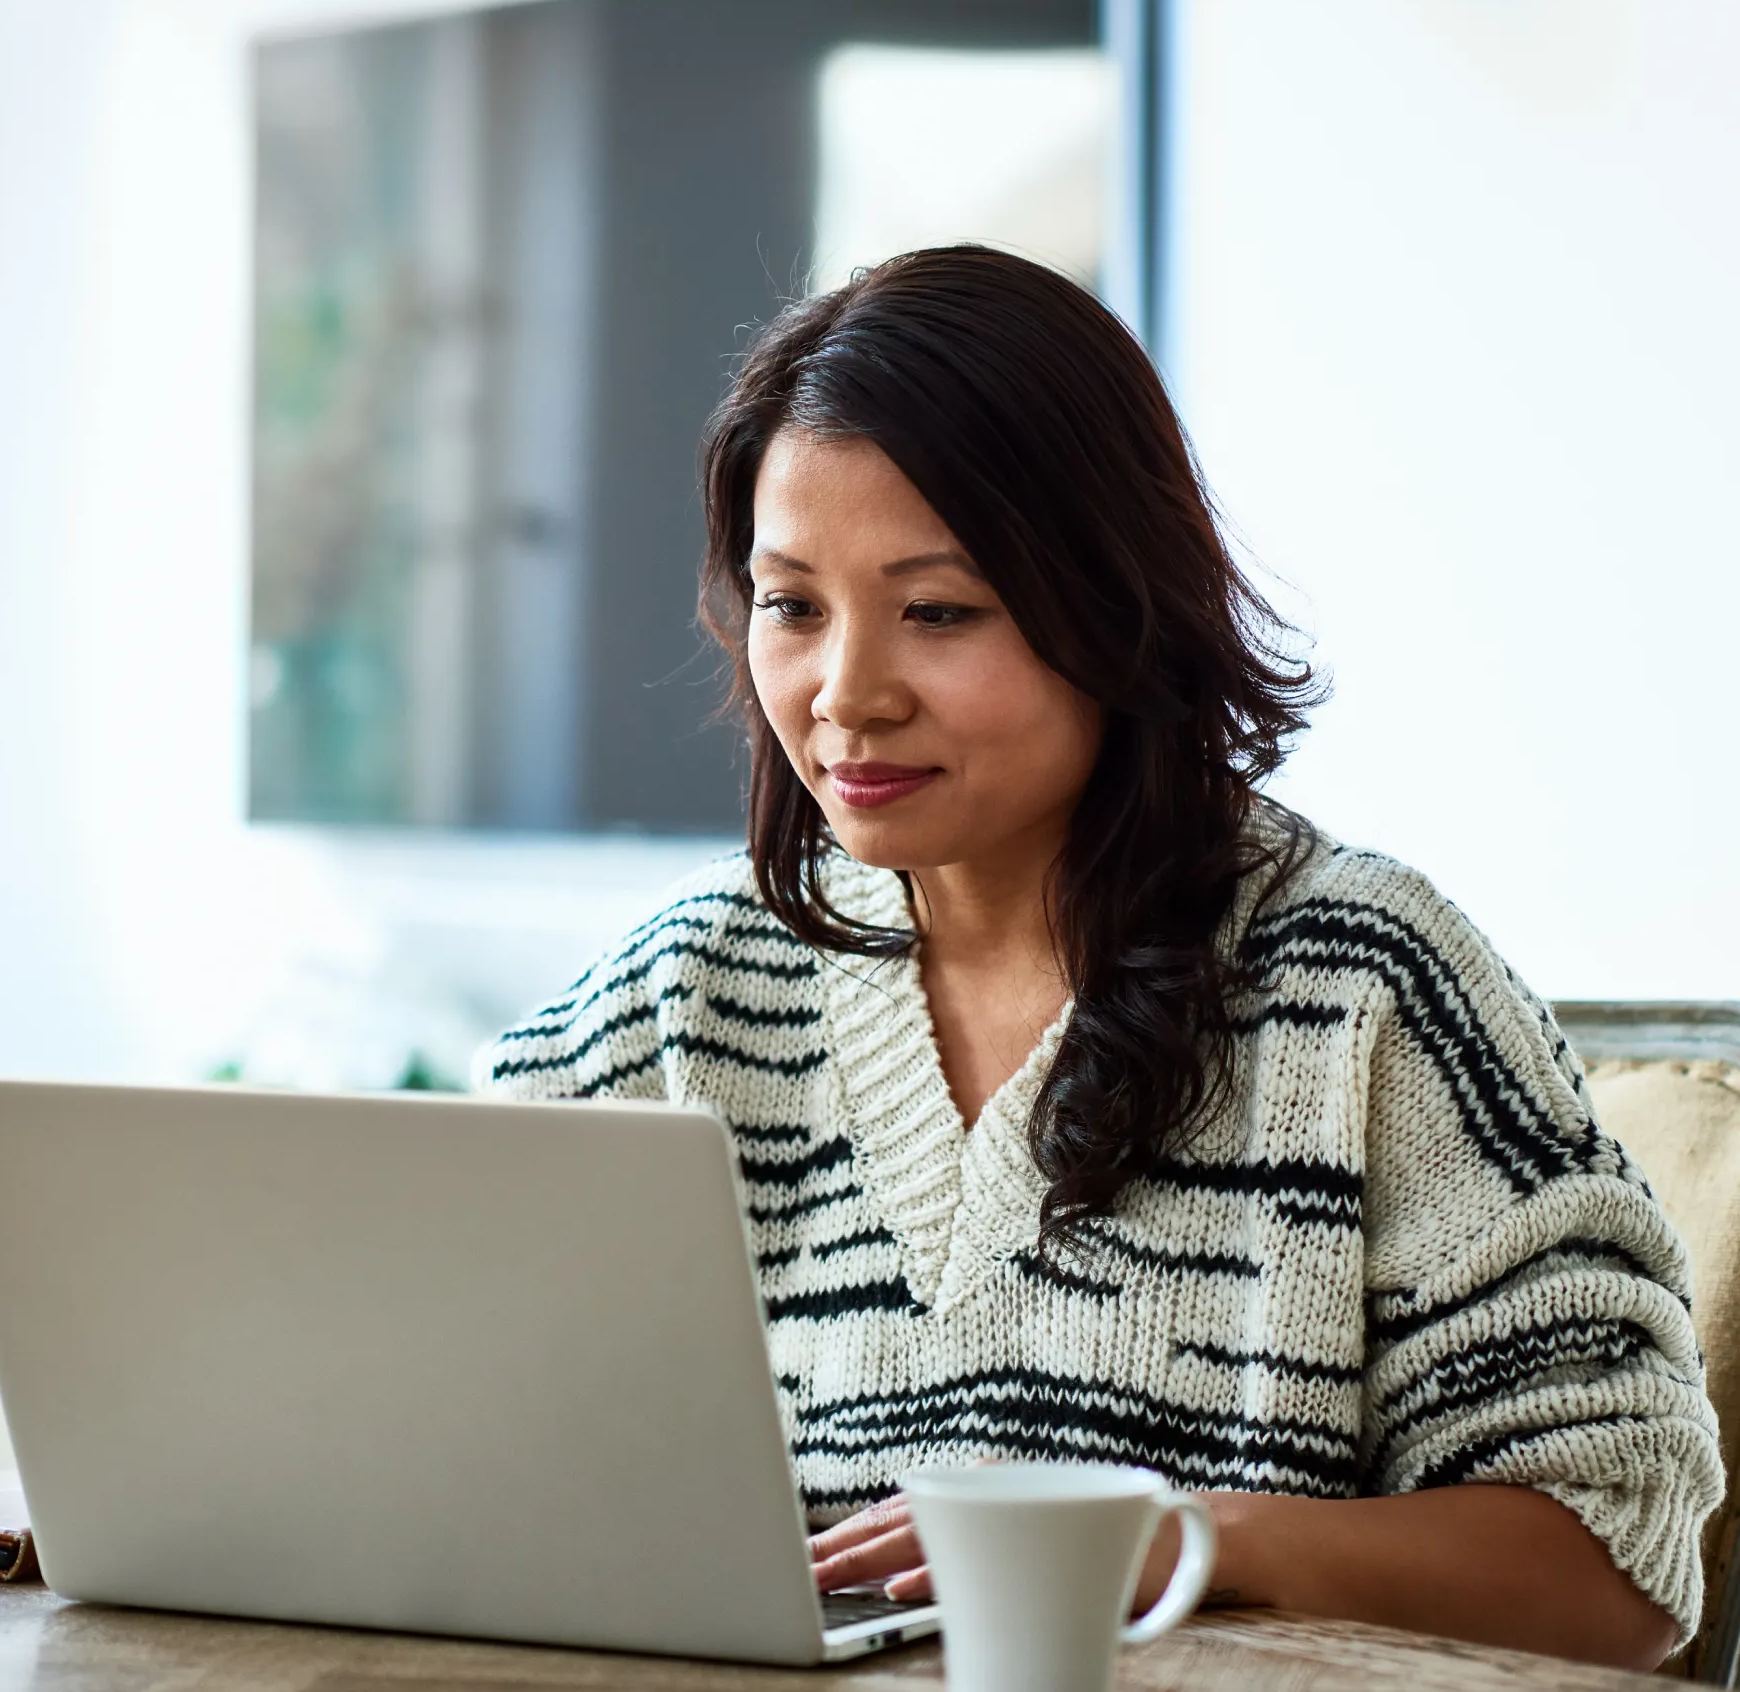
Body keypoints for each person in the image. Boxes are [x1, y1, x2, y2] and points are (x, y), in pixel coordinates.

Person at [475, 246, 1719, 1670]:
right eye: (791, 604)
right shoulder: (679, 997)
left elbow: (1616, 1571)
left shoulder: (1365, 985)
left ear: (1113, 604)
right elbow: (433, 1431)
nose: (845, 694)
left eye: (939, 610)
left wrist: (1182, 1542)